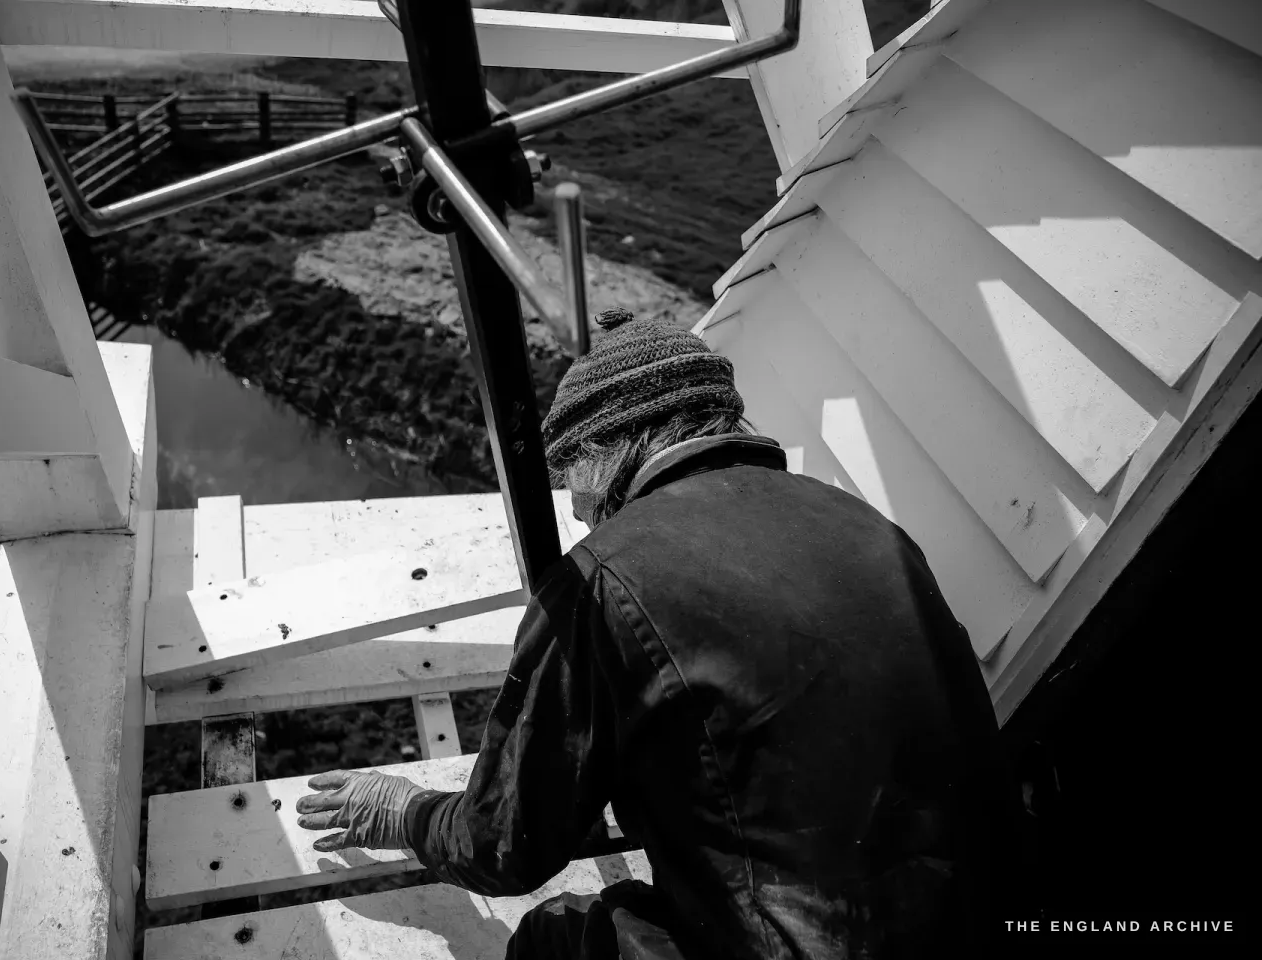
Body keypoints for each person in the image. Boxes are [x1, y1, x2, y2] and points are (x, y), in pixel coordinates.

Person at [297, 309, 1023, 959]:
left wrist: (405, 811)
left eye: (573, 479)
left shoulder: (602, 581)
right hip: (988, 916)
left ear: (605, 452)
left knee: (555, 941)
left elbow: (505, 846)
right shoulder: (869, 527)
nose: (581, 514)